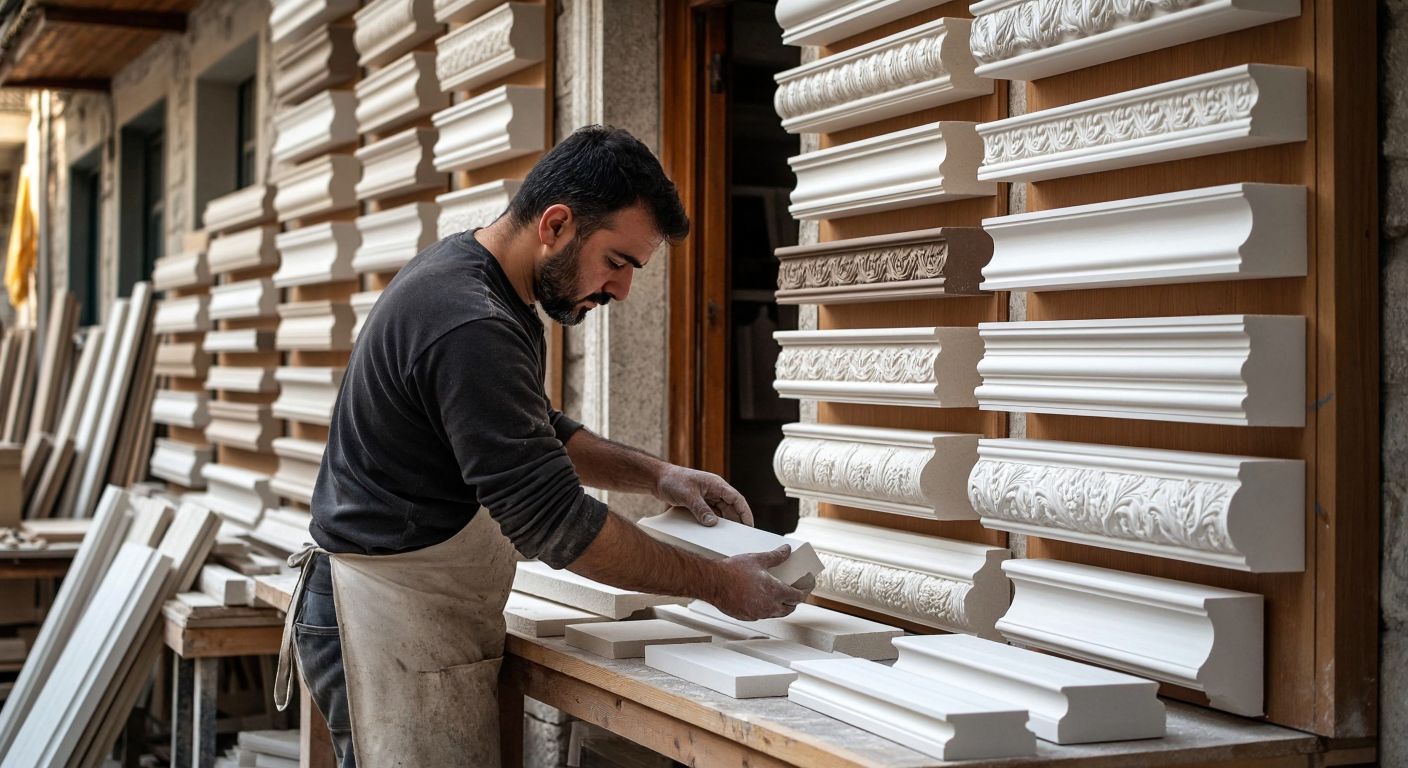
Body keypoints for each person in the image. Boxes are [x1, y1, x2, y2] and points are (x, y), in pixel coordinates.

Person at [273, 125, 811, 767]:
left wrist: (657, 475)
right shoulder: (471, 322)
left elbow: (534, 430)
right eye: (617, 262)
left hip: (409, 606)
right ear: (555, 224)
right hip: (381, 618)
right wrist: (716, 583)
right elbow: (555, 524)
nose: (621, 291)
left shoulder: (480, 285)